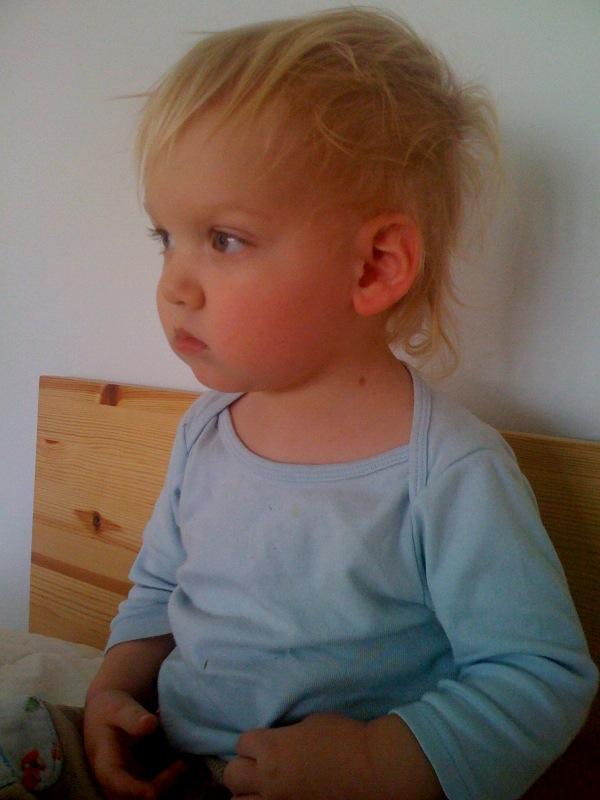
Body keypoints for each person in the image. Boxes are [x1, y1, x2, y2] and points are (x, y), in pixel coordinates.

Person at [3, 7, 596, 800]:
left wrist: (377, 762)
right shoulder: (206, 432)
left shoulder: (449, 470)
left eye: (224, 239)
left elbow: (538, 676)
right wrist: (114, 690)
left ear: (373, 267)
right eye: (166, 238)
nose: (173, 284)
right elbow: (159, 593)